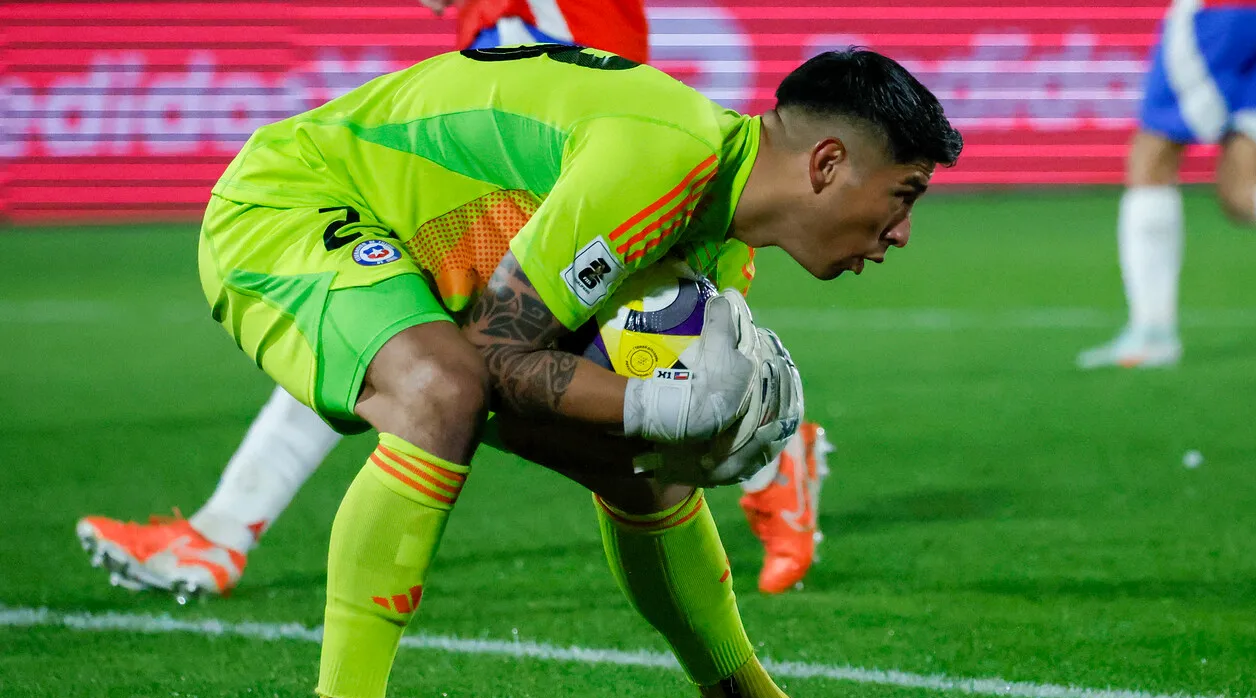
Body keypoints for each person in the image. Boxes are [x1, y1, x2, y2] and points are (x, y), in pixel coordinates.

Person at [157, 44, 960, 698]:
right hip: (290, 204)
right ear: (826, 165)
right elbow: (497, 352)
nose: (903, 232)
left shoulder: (718, 234)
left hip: (423, 248)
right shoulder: (659, 163)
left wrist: (667, 424)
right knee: (442, 390)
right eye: (906, 193)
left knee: (642, 467)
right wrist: (661, 405)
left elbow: (580, 383)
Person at [77, 0, 831, 599]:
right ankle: (223, 529)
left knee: (439, 351)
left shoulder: (551, 22)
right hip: (583, 166)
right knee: (387, 332)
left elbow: (596, 108)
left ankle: (766, 445)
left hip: (574, 174)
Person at [1077, 0, 1256, 369]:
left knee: (1152, 155)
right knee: (1243, 192)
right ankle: (1151, 335)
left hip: (1221, 13)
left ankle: (1152, 335)